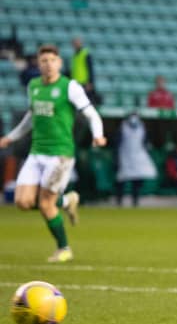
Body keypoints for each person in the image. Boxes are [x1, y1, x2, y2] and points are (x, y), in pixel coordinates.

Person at [0, 44, 107, 262]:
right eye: (44, 61)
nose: (48, 65)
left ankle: (64, 249)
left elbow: (91, 114)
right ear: (38, 64)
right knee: (22, 202)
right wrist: (11, 137)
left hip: (60, 154)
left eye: (52, 60)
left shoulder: (70, 87)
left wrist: (98, 135)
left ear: (59, 63)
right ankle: (66, 202)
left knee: (45, 204)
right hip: (37, 152)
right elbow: (31, 117)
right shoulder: (34, 86)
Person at [115, 113, 157, 207]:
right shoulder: (123, 127)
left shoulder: (142, 127)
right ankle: (119, 201)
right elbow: (117, 143)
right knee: (121, 179)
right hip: (125, 155)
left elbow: (145, 141)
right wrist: (117, 158)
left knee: (138, 178)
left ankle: (135, 200)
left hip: (138, 155)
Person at [69, 37, 99, 105]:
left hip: (84, 83)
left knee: (86, 103)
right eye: (74, 43)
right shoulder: (74, 55)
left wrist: (90, 82)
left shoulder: (85, 54)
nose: (76, 45)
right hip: (76, 82)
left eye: (77, 43)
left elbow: (90, 68)